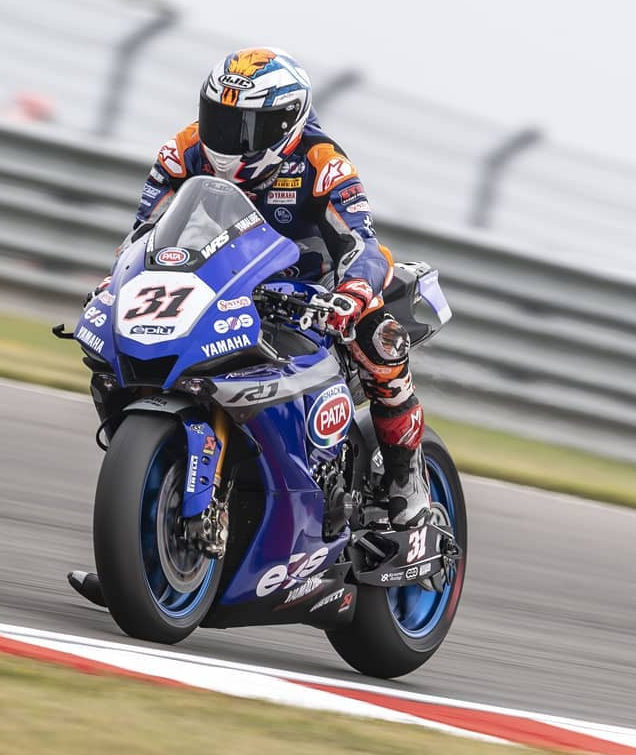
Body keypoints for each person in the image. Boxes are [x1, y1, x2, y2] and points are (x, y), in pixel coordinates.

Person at [121, 47, 429, 527]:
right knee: (124, 353)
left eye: (244, 126)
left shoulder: (321, 161)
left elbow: (364, 244)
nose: (226, 137)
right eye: (219, 119)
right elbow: (143, 234)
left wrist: (349, 294)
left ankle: (405, 476)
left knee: (380, 340)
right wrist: (118, 280)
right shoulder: (182, 150)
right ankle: (138, 525)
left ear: (285, 125)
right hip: (222, 283)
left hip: (313, 293)